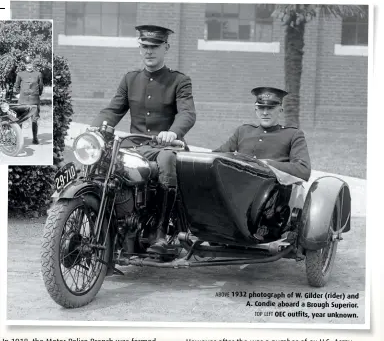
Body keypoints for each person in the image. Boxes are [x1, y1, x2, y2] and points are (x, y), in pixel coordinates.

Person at [91, 25, 196, 255]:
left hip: (166, 146)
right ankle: (109, 222)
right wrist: (96, 127)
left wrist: (174, 132)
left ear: (166, 48)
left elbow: (187, 113)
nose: (149, 51)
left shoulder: (179, 81)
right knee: (100, 160)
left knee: (167, 160)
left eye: (155, 46)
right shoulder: (130, 79)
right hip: (134, 146)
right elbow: (113, 110)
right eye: (145, 46)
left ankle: (160, 233)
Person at [214, 87, 311, 181]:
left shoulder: (293, 135)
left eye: (270, 108)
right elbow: (217, 155)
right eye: (261, 108)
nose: (265, 113)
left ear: (280, 110)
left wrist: (268, 164)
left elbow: (303, 170)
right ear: (256, 110)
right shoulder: (243, 131)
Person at [14, 55, 44, 145]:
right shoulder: (20, 74)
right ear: (25, 64)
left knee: (34, 120)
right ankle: (17, 138)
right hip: (23, 101)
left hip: (34, 100)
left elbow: (41, 86)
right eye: (27, 63)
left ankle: (35, 138)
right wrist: (19, 94)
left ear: (33, 64)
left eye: (30, 63)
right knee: (19, 120)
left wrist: (38, 95)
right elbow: (17, 86)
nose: (29, 65)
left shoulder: (38, 74)